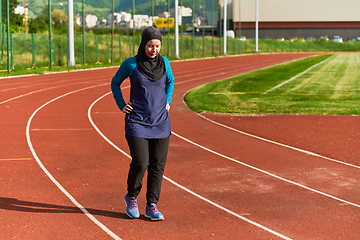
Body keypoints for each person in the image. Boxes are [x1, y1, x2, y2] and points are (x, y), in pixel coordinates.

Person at [111, 26, 175, 221]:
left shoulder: (164, 62)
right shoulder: (131, 64)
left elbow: (170, 81)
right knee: (141, 162)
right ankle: (131, 197)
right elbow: (115, 83)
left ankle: (152, 205)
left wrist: (168, 100)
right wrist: (122, 105)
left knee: (157, 165)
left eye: (157, 46)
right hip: (137, 122)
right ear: (143, 44)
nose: (153, 50)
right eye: (150, 46)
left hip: (161, 123)